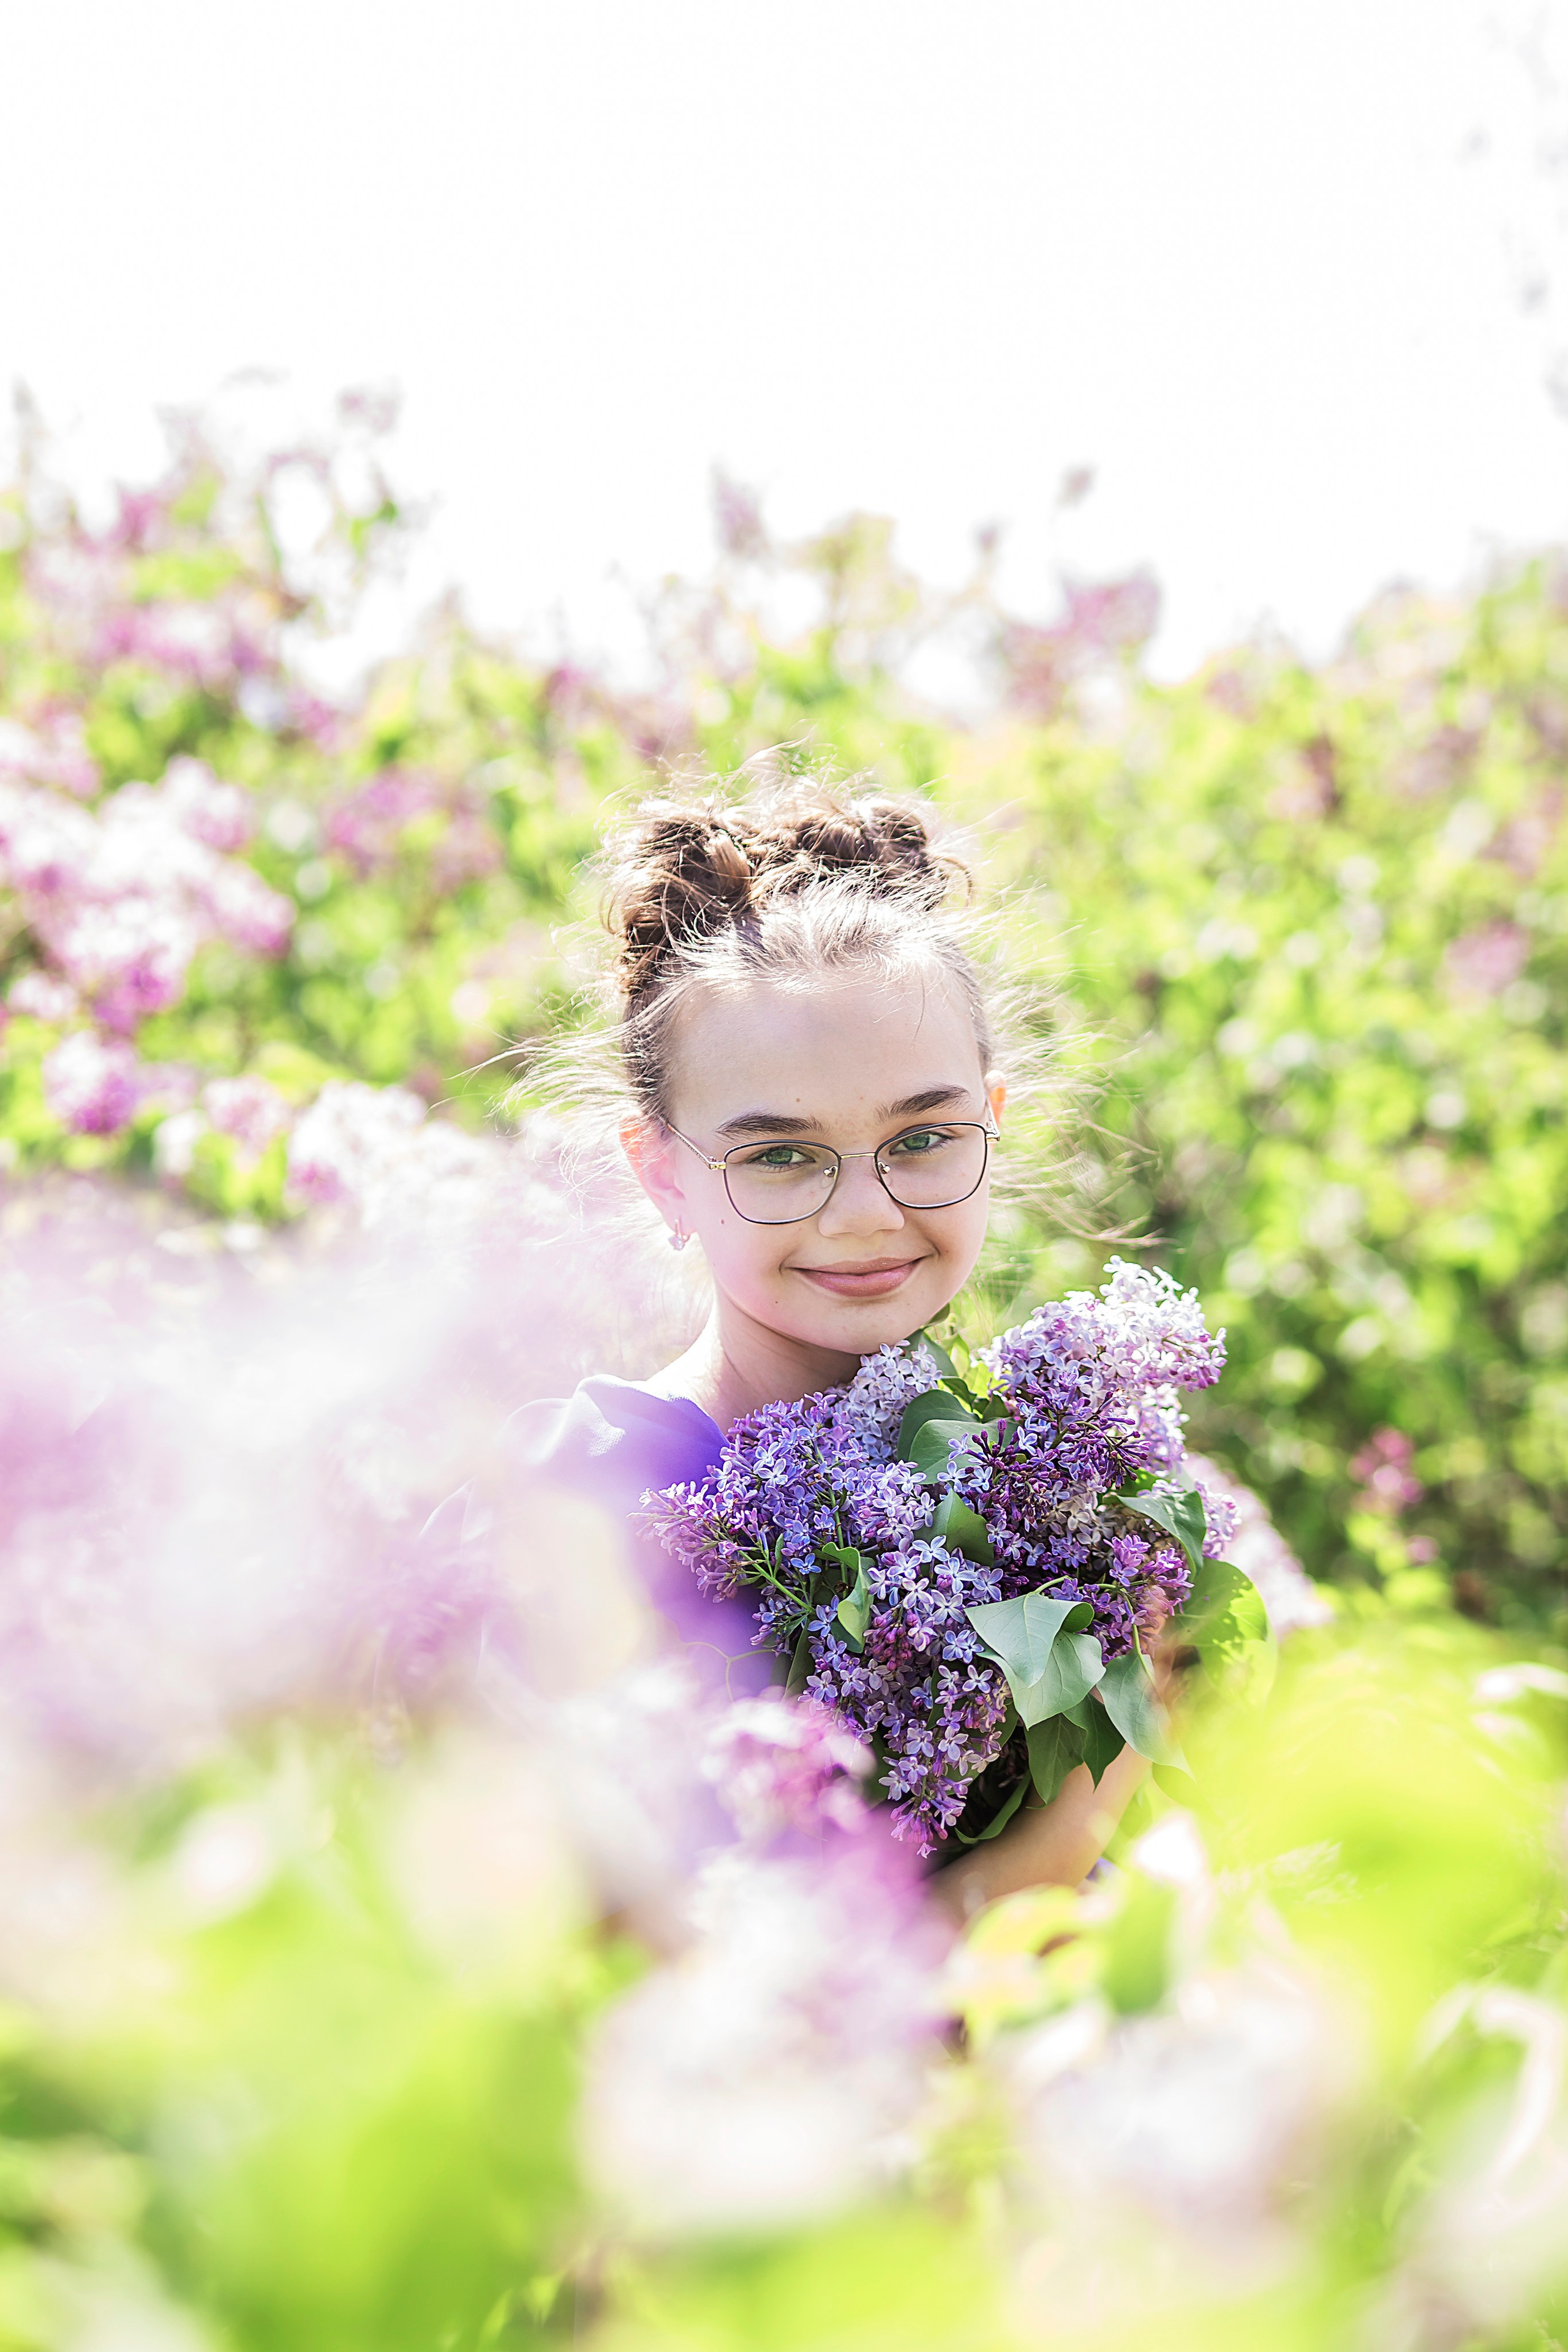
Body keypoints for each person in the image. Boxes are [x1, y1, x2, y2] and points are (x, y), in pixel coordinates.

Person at [505, 774, 1148, 1921]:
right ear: (666, 1175)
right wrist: (1043, 1859)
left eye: (924, 1137)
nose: (865, 1213)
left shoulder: (1042, 1479)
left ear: (992, 1121)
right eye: (781, 1157)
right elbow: (621, 1974)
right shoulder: (601, 1498)